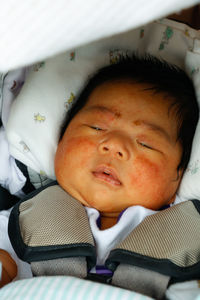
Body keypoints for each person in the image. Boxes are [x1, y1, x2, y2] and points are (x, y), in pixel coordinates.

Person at [0, 54, 199, 288]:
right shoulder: (22, 222)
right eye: (96, 127)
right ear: (61, 139)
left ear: (178, 176)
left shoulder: (187, 240)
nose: (114, 145)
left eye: (146, 144)